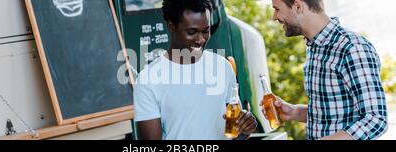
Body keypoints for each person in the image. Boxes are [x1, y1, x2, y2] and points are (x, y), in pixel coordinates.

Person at [134, 0, 258, 140]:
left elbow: (235, 134)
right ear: (171, 26)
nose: (200, 40)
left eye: (206, 31)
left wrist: (245, 130)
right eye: (192, 32)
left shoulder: (222, 67)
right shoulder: (147, 79)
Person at [264, 0, 387, 140]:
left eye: (277, 9)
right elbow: (334, 112)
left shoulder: (352, 48)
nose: (274, 17)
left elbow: (376, 120)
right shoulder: (315, 47)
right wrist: (294, 112)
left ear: (298, 6)